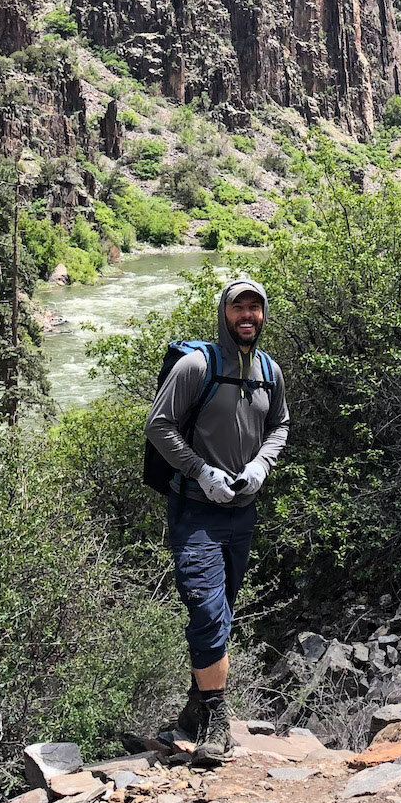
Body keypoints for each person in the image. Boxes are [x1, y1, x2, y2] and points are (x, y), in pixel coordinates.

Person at [144, 277, 289, 756]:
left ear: (263, 314)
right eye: (238, 308)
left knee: (220, 613)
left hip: (241, 514)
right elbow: (158, 426)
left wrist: (260, 466)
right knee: (208, 611)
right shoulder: (195, 365)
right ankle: (217, 721)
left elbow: (279, 425)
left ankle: (192, 713)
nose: (247, 316)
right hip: (195, 510)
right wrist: (200, 469)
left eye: (255, 308)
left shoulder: (270, 370)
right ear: (223, 313)